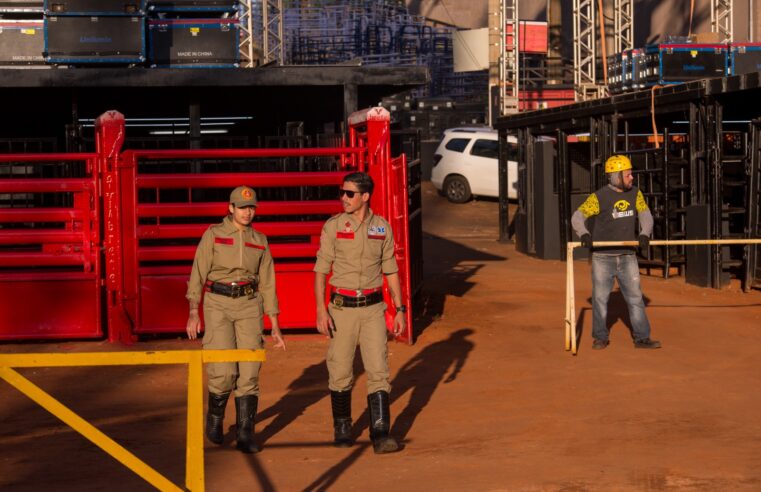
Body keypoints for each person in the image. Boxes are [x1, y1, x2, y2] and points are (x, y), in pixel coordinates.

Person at [186, 185, 286, 454]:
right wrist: (194, 311)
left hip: (249, 306)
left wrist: (274, 323)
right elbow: (198, 271)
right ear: (230, 209)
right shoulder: (214, 235)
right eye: (242, 208)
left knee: (250, 371)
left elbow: (268, 283)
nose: (247, 212)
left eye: (251, 207)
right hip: (218, 303)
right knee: (224, 370)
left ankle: (245, 432)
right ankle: (216, 417)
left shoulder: (260, 240)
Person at [313, 171, 406, 454]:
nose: (344, 198)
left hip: (373, 308)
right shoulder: (333, 227)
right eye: (342, 192)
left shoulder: (382, 228)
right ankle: (342, 427)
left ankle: (380, 432)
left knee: (378, 369)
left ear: (365, 196)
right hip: (341, 308)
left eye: (349, 193)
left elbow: (390, 269)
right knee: (340, 369)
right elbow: (320, 271)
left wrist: (399, 309)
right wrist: (320, 310)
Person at [571, 154, 662, 350]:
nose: (632, 178)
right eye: (628, 175)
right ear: (616, 176)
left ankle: (642, 338)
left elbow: (645, 215)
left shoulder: (636, 194)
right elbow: (577, 217)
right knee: (600, 298)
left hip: (628, 256)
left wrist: (645, 233)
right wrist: (584, 234)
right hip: (603, 258)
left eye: (631, 174)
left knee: (636, 298)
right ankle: (600, 337)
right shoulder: (599, 197)